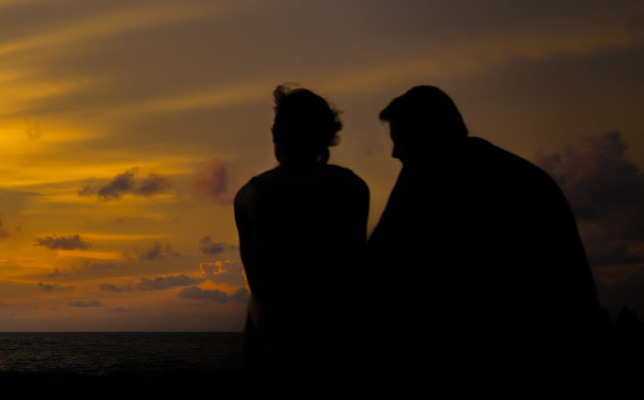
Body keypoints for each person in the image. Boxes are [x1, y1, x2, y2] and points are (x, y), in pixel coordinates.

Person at [367, 85, 600, 382]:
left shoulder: (431, 175)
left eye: (401, 139)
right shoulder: (524, 176)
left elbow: (378, 260)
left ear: (431, 128)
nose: (395, 153)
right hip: (565, 357)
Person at [234, 85, 369, 382]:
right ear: (327, 137)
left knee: (256, 305)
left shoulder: (249, 197)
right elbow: (356, 264)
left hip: (279, 328)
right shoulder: (353, 188)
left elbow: (258, 282)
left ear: (275, 134)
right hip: (339, 326)